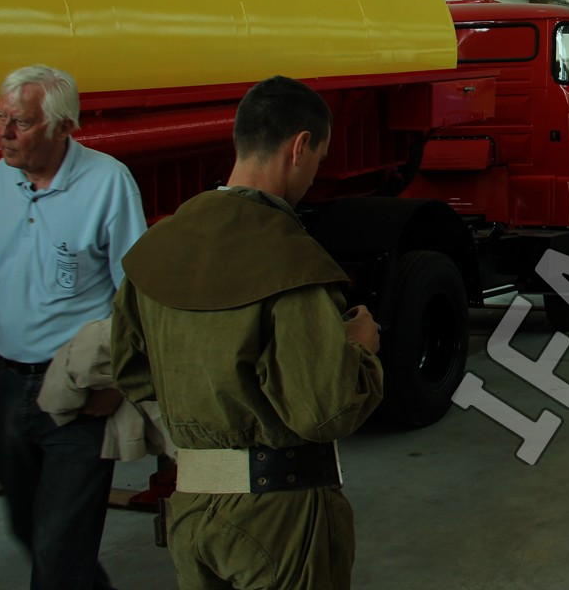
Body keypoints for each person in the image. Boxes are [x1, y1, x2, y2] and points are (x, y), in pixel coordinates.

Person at [111, 76, 383, 590]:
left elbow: (131, 370)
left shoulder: (156, 248)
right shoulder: (291, 259)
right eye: (319, 159)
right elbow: (325, 409)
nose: (314, 176)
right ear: (299, 147)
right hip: (278, 518)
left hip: (191, 511)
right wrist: (360, 350)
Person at [0, 64, 146, 590]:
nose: (4, 133)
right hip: (6, 390)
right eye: (0, 118)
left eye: (20, 122)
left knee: (59, 552)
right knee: (35, 533)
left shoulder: (107, 183)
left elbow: (136, 296)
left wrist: (116, 383)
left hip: (76, 394)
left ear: (64, 127)